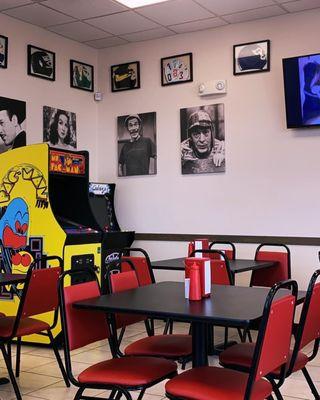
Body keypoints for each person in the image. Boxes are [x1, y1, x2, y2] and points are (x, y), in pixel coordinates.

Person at [181, 110, 225, 174]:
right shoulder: (182, 149)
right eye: (196, 134)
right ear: (190, 137)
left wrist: (223, 156)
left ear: (211, 134)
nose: (202, 139)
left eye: (206, 132)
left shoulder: (221, 147)